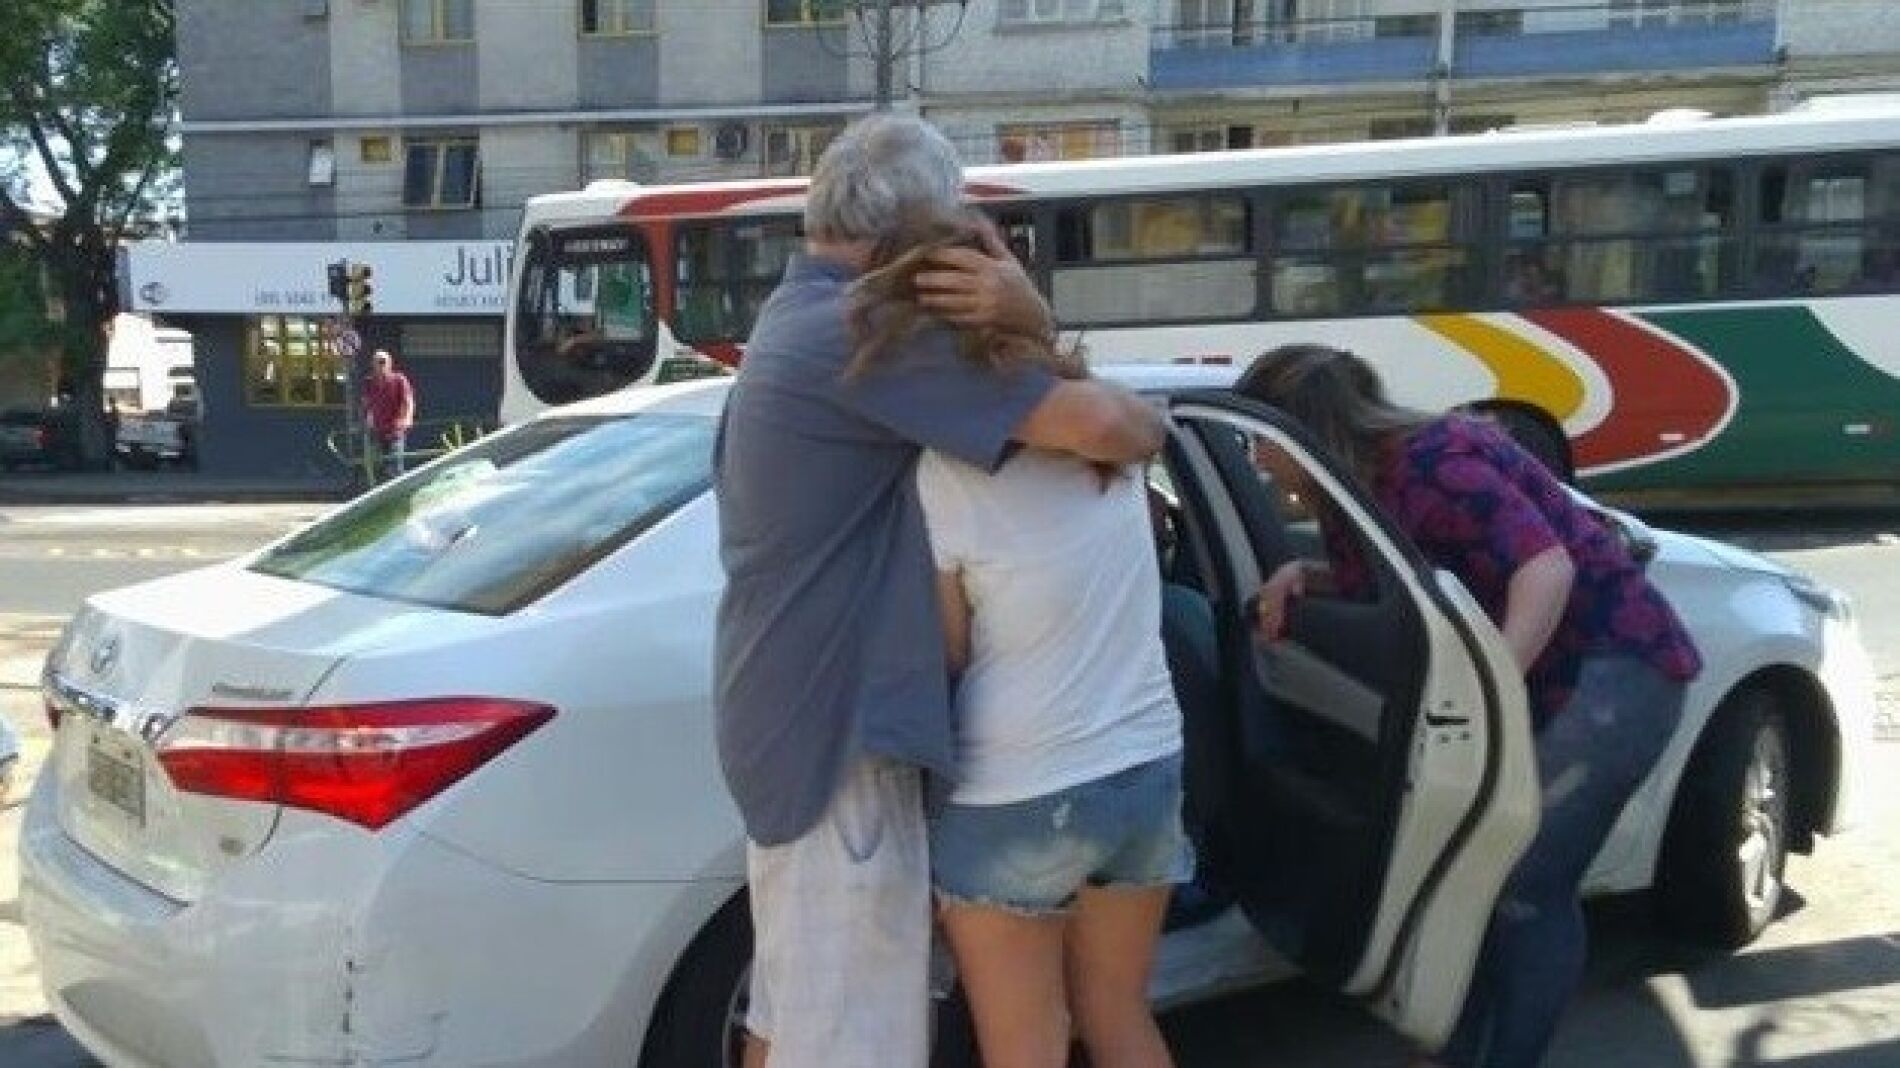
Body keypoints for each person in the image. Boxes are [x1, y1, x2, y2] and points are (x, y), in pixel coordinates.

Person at [713, 114, 1166, 1068]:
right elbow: (1121, 431)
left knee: (795, 1013)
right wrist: (1027, 309)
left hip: (795, 715)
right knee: (851, 1040)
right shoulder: (863, 329)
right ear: (913, 244)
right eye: (952, 231)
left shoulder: (795, 313)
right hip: (842, 731)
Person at [1234, 344, 1702, 1068]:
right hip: (1560, 680)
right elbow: (1404, 588)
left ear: (1308, 429)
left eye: (1264, 439)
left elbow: (1544, 568)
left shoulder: (1433, 460)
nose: (1259, 460)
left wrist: (1488, 686)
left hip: (1616, 676)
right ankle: (1462, 1050)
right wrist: (1307, 576)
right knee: (1480, 876)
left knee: (1525, 883)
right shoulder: (1356, 489)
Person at [852, 214, 1187, 1068]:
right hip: (1147, 763)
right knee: (1119, 1015)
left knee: (1026, 1047)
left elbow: (952, 652)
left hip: (1021, 788)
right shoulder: (1106, 431)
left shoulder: (939, 474)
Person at [363, 349, 415, 482]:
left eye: (382, 362)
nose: (380, 365)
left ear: (389, 363)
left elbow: (408, 400)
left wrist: (408, 418)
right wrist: (368, 417)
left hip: (395, 431)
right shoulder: (369, 382)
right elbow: (367, 403)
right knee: (378, 467)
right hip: (377, 431)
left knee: (395, 467)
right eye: (376, 362)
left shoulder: (399, 379)